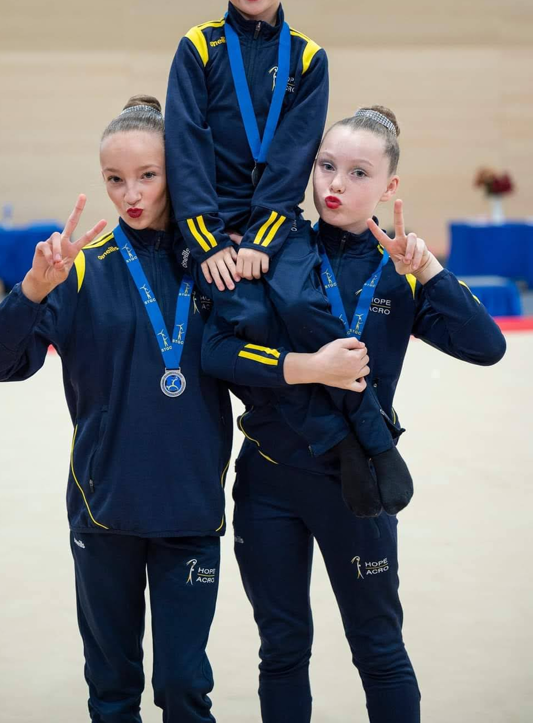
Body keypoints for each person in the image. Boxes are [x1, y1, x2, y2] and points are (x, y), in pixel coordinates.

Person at [0, 95, 369, 723]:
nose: (130, 194)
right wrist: (30, 292)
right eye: (114, 179)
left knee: (185, 687)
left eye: (148, 176)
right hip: (104, 512)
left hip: (190, 512)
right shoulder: (82, 272)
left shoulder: (220, 268)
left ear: (179, 170)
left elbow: (264, 371)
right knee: (112, 690)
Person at [203, 105, 506, 722]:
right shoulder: (276, 252)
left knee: (378, 647)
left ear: (390, 186)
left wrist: (427, 269)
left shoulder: (398, 275)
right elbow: (221, 354)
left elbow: (487, 346)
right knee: (282, 650)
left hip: (356, 483)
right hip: (268, 483)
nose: (335, 185)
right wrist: (310, 366)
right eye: (326, 166)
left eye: (358, 172)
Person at [165, 0, 413, 517]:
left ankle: (374, 434)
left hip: (273, 225)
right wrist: (211, 244)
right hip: (211, 233)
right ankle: (339, 443)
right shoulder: (198, 47)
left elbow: (294, 153)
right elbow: (185, 147)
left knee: (306, 306)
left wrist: (262, 239)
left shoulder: (308, 57)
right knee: (250, 323)